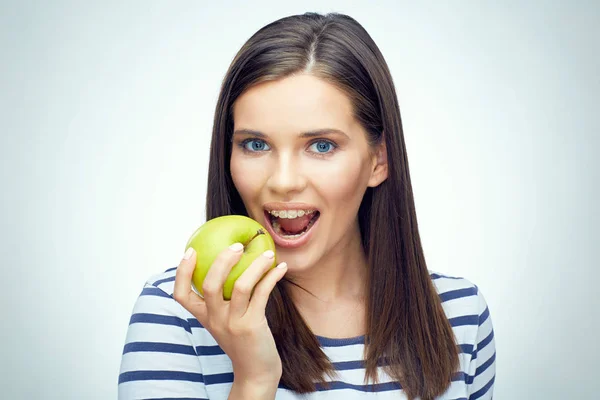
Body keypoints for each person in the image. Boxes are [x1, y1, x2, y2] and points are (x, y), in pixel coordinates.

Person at [118, 12, 496, 400]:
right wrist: (254, 380)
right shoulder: (178, 311)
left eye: (321, 146)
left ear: (379, 160)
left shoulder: (459, 316)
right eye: (256, 144)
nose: (283, 181)